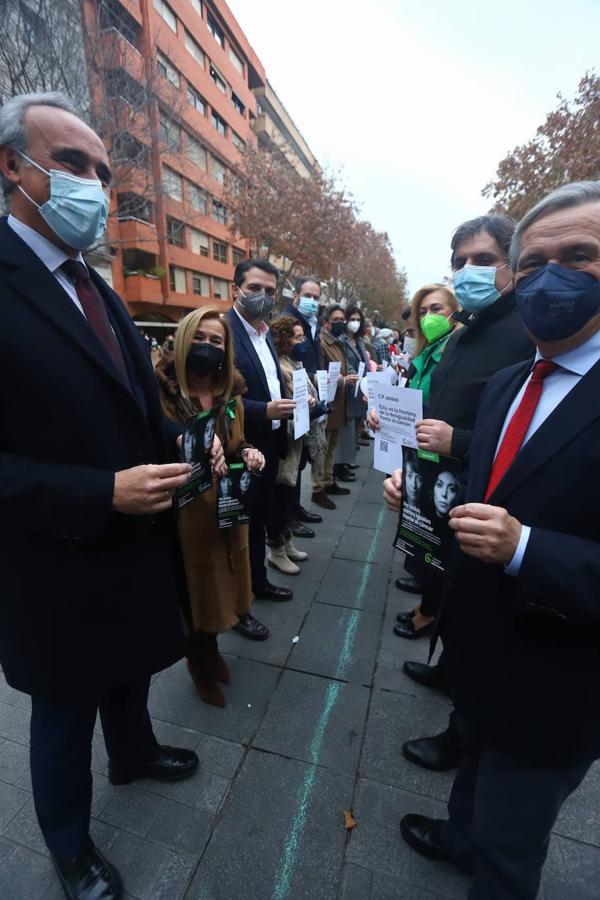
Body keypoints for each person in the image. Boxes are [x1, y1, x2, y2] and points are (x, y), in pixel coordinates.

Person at [0, 92, 225, 900]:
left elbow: (135, 404)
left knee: (130, 666)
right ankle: (69, 847)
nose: (93, 185)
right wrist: (101, 493)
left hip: (134, 544)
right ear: (12, 167)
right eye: (71, 165)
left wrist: (190, 446)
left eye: (101, 170)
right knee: (63, 713)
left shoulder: (97, 288)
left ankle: (132, 754)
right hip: (53, 559)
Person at [385, 179, 600, 900]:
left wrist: (525, 548)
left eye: (581, 256)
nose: (552, 279)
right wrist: (423, 500)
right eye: (535, 263)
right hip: (479, 651)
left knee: (511, 851)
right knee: (473, 774)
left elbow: (517, 533)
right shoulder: (510, 379)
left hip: (556, 685)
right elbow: (485, 489)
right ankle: (457, 836)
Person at [373, 214, 534, 769]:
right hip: (442, 493)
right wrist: (404, 461)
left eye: (484, 260)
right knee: (450, 599)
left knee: (477, 618)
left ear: (513, 267)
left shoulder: (529, 334)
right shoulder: (466, 331)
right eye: (459, 261)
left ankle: (461, 735)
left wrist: (455, 442)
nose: (468, 271)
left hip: (488, 507)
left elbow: (518, 429)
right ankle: (445, 670)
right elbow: (433, 408)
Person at [157, 306, 265, 706]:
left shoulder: (229, 392)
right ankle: (197, 663)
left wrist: (250, 453)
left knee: (225, 582)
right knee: (195, 589)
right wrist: (191, 442)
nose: (207, 346)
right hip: (186, 512)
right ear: (185, 339)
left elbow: (237, 442)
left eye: (216, 341)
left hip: (227, 506)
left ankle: (213, 648)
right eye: (199, 338)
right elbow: (154, 441)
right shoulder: (162, 391)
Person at [225, 259, 296, 615]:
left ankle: (258, 583)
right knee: (239, 529)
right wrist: (263, 410)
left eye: (270, 291)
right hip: (242, 447)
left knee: (258, 522)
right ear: (235, 289)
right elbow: (219, 397)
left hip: (269, 445)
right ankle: (238, 607)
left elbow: (271, 382)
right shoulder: (223, 332)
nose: (263, 296)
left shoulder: (264, 331)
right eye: (254, 288)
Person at [266, 316, 325, 574]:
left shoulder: (294, 362)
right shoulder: (279, 366)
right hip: (286, 440)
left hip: (298, 438)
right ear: (283, 339)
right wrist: (309, 406)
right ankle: (275, 549)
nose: (302, 342)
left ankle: (286, 541)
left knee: (289, 495)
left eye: (303, 336)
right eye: (297, 337)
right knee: (280, 498)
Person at [284, 275, 324, 538]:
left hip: (307, 390)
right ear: (296, 296)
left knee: (300, 461)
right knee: (290, 463)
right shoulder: (288, 321)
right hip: (293, 390)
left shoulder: (312, 324)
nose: (311, 301)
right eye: (307, 295)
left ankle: (296, 509)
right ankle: (286, 519)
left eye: (316, 297)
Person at [311, 304, 359, 510]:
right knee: (322, 448)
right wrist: (342, 380)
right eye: (336, 320)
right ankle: (317, 489)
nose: (341, 323)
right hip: (327, 404)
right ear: (325, 323)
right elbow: (320, 376)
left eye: (342, 319)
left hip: (339, 403)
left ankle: (328, 481)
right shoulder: (321, 342)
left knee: (331, 448)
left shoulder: (339, 342)